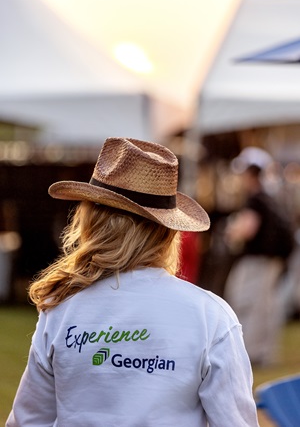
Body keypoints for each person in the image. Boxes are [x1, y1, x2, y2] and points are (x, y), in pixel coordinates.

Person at [6, 137, 259, 427]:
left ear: (90, 221)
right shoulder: (210, 316)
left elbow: (28, 421)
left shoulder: (61, 310)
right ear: (168, 232)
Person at [224, 148, 294, 367]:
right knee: (263, 305)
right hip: (269, 261)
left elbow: (247, 230)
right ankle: (261, 352)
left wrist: (230, 231)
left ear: (251, 173)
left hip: (258, 261)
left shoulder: (256, 200)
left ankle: (252, 353)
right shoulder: (270, 198)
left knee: (248, 303)